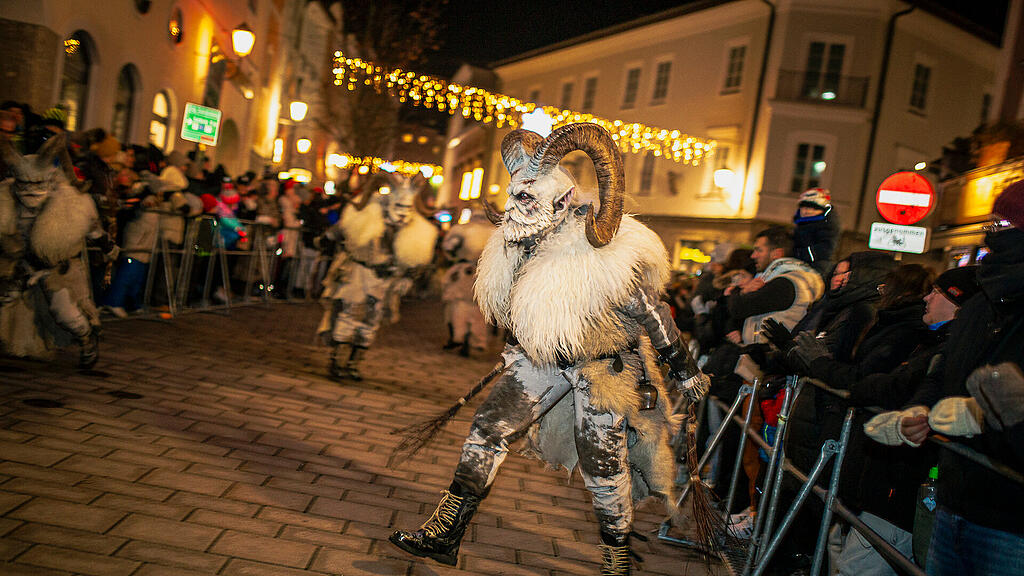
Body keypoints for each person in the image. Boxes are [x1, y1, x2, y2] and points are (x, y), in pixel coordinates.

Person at [388, 124, 710, 575]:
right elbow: (527, 305)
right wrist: (516, 346)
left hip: (604, 369)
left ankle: (616, 560)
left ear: (560, 201)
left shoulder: (604, 253)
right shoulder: (520, 244)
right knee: (488, 428)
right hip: (545, 361)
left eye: (527, 200)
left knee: (602, 468)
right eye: (514, 197)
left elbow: (650, 311)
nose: (515, 211)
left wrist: (684, 368)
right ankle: (445, 533)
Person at [865, 180, 1024, 576]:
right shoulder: (978, 309)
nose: (994, 232)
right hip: (953, 504)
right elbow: (944, 376)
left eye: (1006, 223)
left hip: (1013, 524)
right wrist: (916, 413)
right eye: (993, 221)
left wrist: (986, 415)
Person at [0, 134, 110, 367]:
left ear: (49, 181)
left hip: (55, 268)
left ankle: (87, 339)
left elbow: (91, 228)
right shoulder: (6, 199)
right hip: (17, 266)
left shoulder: (69, 203)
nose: (30, 191)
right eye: (25, 184)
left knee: (65, 313)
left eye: (37, 184)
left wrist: (105, 243)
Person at [316, 172, 438, 381]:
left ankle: (353, 363)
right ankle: (337, 362)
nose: (402, 214)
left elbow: (415, 259)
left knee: (371, 319)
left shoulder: (414, 227)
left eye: (407, 208)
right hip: (358, 274)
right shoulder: (366, 215)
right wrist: (327, 239)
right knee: (349, 314)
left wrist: (408, 275)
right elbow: (342, 230)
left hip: (385, 281)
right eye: (399, 207)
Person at [440, 213, 491, 356]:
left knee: (457, 306)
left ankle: (459, 337)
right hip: (485, 275)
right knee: (480, 310)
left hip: (464, 273)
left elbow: (449, 247)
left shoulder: (462, 231)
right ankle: (476, 341)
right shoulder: (496, 232)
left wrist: (455, 258)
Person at [792, 187, 839, 277]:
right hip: (801, 263)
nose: (806, 211)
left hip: (817, 266)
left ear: (821, 210)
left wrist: (801, 254)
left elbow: (826, 248)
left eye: (812, 208)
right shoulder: (802, 223)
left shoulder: (826, 225)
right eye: (803, 207)